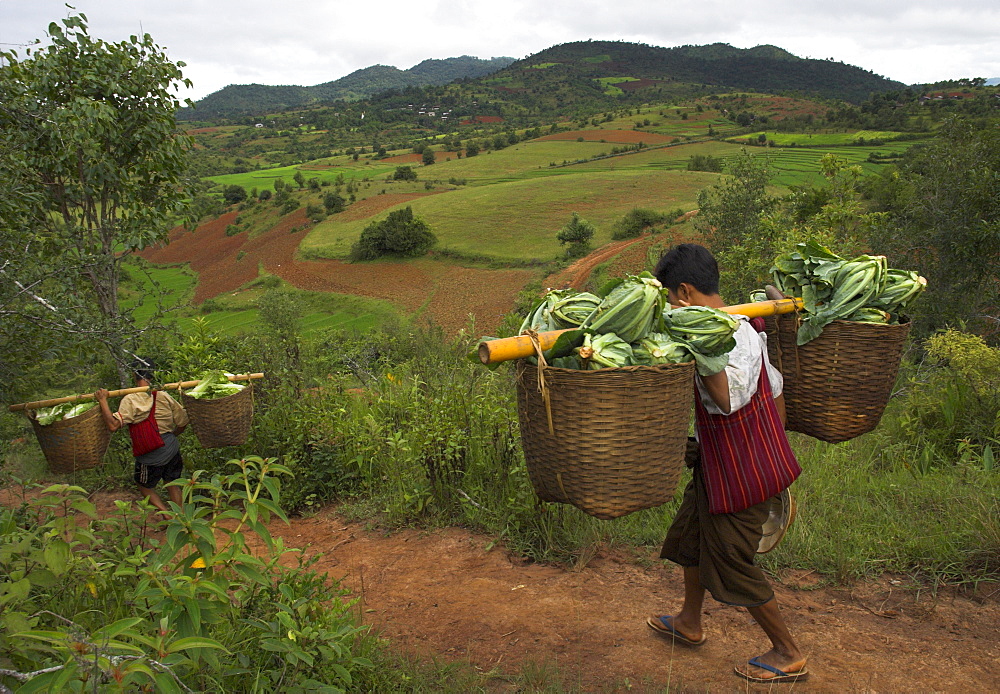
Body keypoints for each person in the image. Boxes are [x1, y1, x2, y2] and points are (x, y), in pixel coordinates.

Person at [647, 243, 809, 684]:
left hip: (740, 473)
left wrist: (759, 459)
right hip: (720, 462)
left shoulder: (728, 335)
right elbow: (773, 389)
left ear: (683, 292)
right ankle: (690, 622)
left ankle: (787, 651)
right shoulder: (744, 329)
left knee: (732, 560)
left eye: (667, 296)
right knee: (691, 537)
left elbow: (726, 398)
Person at [95, 358, 188, 514]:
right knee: (172, 482)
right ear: (152, 375)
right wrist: (171, 436)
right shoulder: (163, 395)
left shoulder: (131, 399)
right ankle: (180, 518)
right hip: (171, 447)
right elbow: (183, 422)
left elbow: (112, 425)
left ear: (134, 375)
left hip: (151, 452)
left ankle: (166, 515)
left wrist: (102, 400)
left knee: (143, 485)